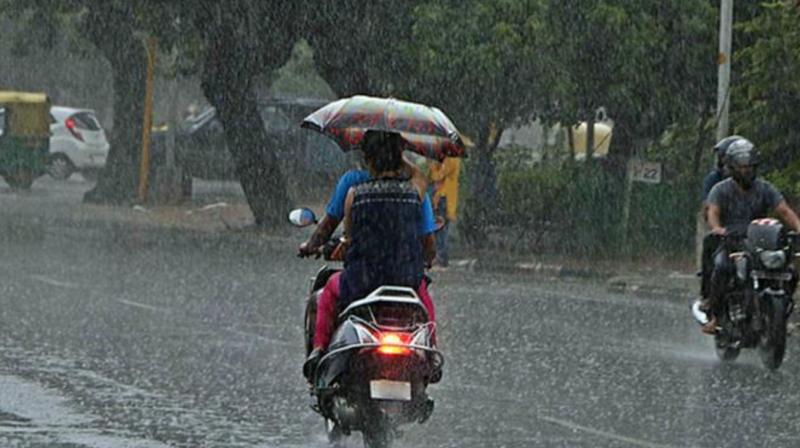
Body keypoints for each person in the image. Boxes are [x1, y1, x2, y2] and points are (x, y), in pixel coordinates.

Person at [301, 130, 438, 379]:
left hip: (362, 281)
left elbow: (349, 239)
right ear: (399, 158)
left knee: (329, 291)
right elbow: (429, 244)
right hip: (404, 280)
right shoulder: (415, 194)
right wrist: (399, 152)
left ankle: (319, 351)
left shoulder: (355, 193)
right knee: (425, 301)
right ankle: (431, 353)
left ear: (368, 160)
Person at [701, 138, 800, 334]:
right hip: (731, 240)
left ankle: (779, 316)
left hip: (760, 242)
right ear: (731, 167)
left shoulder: (765, 188)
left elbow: (784, 211)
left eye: (750, 166)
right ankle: (715, 316)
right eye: (741, 167)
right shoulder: (720, 189)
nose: (746, 171)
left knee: (790, 270)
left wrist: (798, 227)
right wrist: (717, 228)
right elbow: (713, 212)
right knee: (721, 268)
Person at [697, 136, 742, 302]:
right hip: (725, 228)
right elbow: (708, 208)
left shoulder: (755, 184)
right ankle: (707, 295)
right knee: (712, 250)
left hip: (747, 230)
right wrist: (717, 226)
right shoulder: (715, 180)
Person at [428, 156, 461, 268]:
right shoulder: (447, 158)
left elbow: (437, 176)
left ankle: (441, 258)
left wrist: (433, 164)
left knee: (440, 229)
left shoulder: (451, 159)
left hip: (444, 197)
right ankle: (441, 257)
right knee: (440, 229)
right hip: (442, 197)